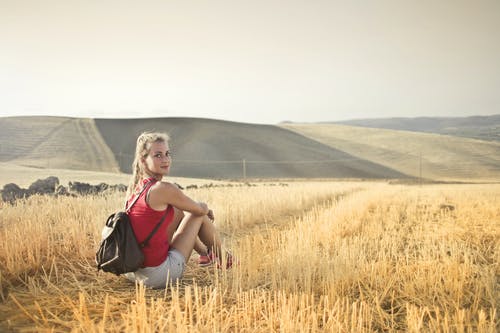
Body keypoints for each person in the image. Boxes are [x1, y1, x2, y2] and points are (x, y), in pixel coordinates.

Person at [124, 131, 232, 288]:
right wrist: (205, 209)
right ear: (143, 160)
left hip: (134, 272)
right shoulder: (163, 188)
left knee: (177, 210)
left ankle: (205, 255)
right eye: (158, 155)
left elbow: (182, 209)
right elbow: (199, 210)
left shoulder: (136, 188)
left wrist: (197, 209)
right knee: (198, 215)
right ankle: (225, 258)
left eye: (167, 154)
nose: (166, 159)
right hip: (159, 276)